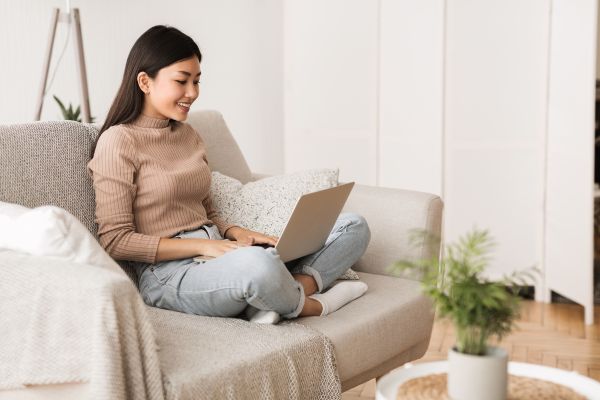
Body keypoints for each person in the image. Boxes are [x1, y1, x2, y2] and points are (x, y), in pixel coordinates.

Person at [87, 25, 371, 324]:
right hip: (170, 275)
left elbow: (205, 211)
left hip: (222, 252)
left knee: (353, 226)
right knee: (258, 266)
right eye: (182, 81)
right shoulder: (118, 141)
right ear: (145, 82)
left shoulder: (189, 135)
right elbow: (116, 240)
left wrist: (236, 233)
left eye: (197, 81)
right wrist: (205, 246)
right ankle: (313, 305)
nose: (192, 93)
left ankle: (290, 289)